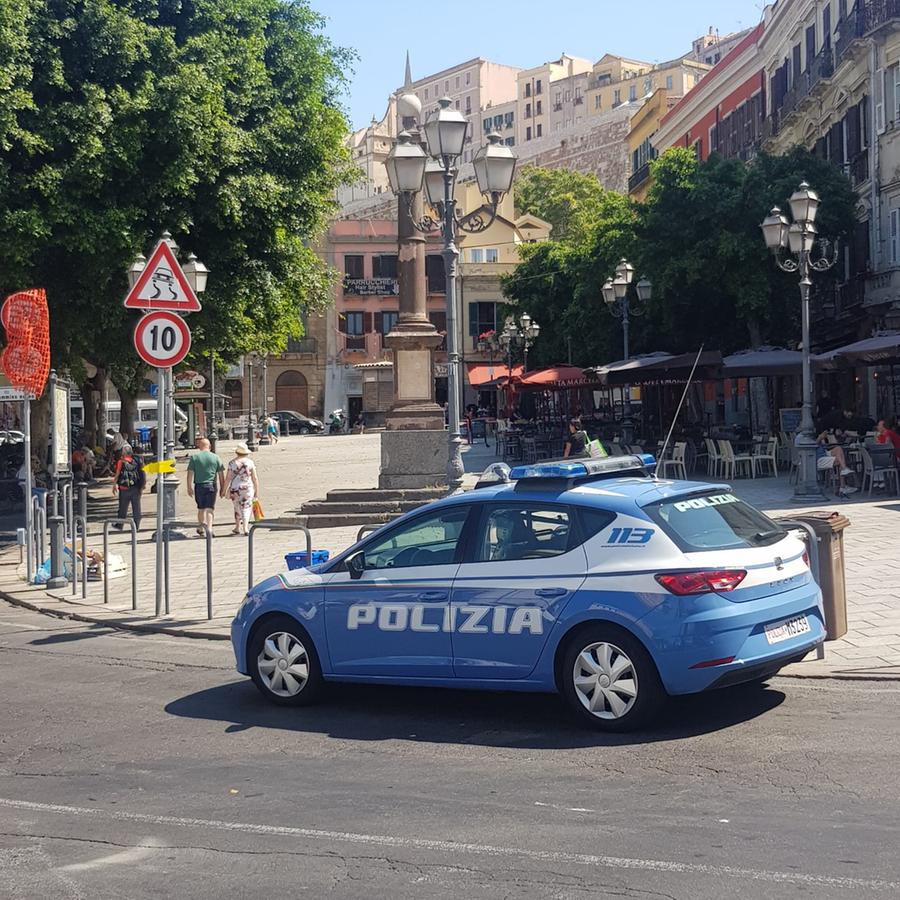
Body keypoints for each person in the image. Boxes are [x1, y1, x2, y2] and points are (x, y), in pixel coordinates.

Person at [186, 438, 225, 536]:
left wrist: (189, 487)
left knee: (200, 508)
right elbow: (221, 474)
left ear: (200, 446)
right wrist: (222, 488)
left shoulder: (194, 457)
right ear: (210, 446)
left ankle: (200, 526)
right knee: (210, 509)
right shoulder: (216, 457)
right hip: (211, 485)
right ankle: (210, 529)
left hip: (199, 485)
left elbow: (190, 473)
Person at [223, 442, 259, 535]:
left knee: (237, 507)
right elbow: (255, 478)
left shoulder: (232, 463)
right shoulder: (250, 462)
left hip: (235, 488)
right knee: (246, 507)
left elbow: (228, 478)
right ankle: (245, 527)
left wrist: (224, 490)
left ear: (237, 452)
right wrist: (256, 491)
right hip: (248, 488)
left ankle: (237, 527)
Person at [111, 443, 146, 529]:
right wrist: (142, 486)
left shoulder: (121, 461)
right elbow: (142, 474)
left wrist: (114, 484)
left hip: (124, 488)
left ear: (123, 452)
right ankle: (136, 526)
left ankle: (120, 525)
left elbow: (118, 474)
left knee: (122, 508)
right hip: (135, 488)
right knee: (136, 508)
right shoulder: (137, 461)